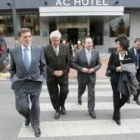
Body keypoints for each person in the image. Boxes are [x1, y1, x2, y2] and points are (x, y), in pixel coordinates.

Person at [9, 28, 46, 137]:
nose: (27, 39)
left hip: (35, 82)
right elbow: (12, 69)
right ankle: (28, 117)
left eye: (29, 36)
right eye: (25, 37)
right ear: (20, 38)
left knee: (35, 105)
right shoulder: (13, 51)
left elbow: (43, 66)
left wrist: (42, 77)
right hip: (20, 83)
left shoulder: (39, 49)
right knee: (21, 107)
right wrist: (13, 78)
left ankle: (36, 125)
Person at [71, 37, 102, 119]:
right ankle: (79, 96)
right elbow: (73, 64)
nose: (90, 44)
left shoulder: (96, 52)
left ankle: (91, 110)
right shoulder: (78, 53)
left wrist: (94, 69)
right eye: (88, 43)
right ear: (84, 44)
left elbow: (99, 64)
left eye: (91, 42)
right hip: (82, 76)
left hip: (92, 77)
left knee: (91, 94)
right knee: (81, 89)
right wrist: (81, 69)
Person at [107, 34, 134, 125]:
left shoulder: (130, 54)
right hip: (115, 79)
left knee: (126, 97)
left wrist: (126, 68)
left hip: (125, 79)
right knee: (116, 97)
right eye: (116, 44)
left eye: (118, 44)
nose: (116, 45)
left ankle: (116, 110)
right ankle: (117, 117)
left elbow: (132, 66)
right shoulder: (113, 54)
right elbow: (109, 66)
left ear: (123, 45)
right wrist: (117, 68)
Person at [44, 30, 70, 119]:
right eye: (54, 40)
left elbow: (68, 62)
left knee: (65, 91)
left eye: (57, 40)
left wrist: (63, 71)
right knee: (53, 94)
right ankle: (57, 109)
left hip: (63, 75)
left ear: (59, 39)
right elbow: (44, 64)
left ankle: (62, 104)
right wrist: (53, 72)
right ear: (50, 40)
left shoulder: (65, 48)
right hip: (51, 76)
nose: (55, 42)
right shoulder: (45, 49)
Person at [129, 38, 140, 105]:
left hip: (139, 71)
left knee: (139, 85)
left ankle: (136, 97)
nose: (139, 46)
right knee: (130, 85)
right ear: (134, 43)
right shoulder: (129, 51)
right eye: (138, 44)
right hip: (132, 72)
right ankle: (127, 96)